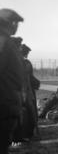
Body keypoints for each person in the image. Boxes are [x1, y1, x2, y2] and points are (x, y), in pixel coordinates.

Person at [0, 8, 24, 154]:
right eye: (16, 23)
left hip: (8, 102)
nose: (17, 26)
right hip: (4, 103)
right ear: (10, 23)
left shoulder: (6, 40)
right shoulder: (2, 42)